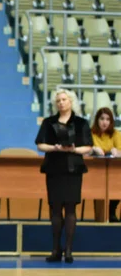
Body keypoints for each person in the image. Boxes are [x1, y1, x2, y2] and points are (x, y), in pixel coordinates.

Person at [36, 89, 93, 264]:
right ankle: (55, 249)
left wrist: (74, 149)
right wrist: (55, 148)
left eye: (64, 100)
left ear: (71, 102)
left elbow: (88, 146)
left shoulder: (81, 123)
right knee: (55, 208)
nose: (61, 102)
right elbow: (40, 144)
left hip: (73, 169)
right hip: (54, 168)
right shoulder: (48, 122)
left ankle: (68, 249)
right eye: (58, 100)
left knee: (70, 209)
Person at [91, 107, 121, 222]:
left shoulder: (116, 134)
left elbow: (120, 151)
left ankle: (112, 211)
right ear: (97, 120)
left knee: (117, 181)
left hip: (113, 171)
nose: (105, 122)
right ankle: (102, 213)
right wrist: (93, 149)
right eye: (102, 119)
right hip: (95, 171)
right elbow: (85, 150)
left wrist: (117, 152)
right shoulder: (90, 133)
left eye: (108, 119)